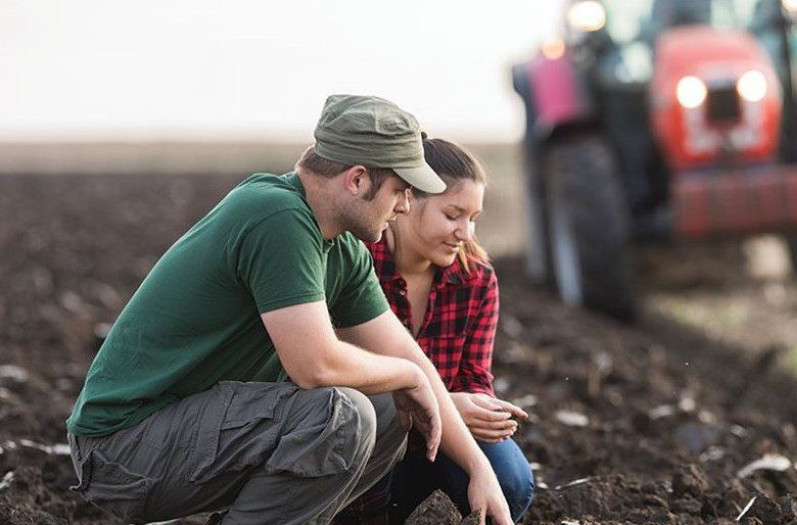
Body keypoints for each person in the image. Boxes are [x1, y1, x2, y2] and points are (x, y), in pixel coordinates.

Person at [65, 95, 513, 525]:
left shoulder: (342, 249)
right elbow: (314, 366)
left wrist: (479, 469)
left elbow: (410, 359)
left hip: (190, 434)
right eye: (399, 189)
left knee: (387, 413)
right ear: (357, 180)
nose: (405, 205)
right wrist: (408, 376)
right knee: (343, 414)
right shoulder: (276, 215)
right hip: (123, 449)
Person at [335, 138, 534, 525]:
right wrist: (439, 403)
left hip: (438, 442)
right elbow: (336, 374)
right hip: (363, 437)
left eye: (473, 218)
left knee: (511, 481)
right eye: (453, 215)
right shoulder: (357, 262)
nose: (466, 232)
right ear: (408, 201)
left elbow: (475, 377)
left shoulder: (476, 279)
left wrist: (472, 406)